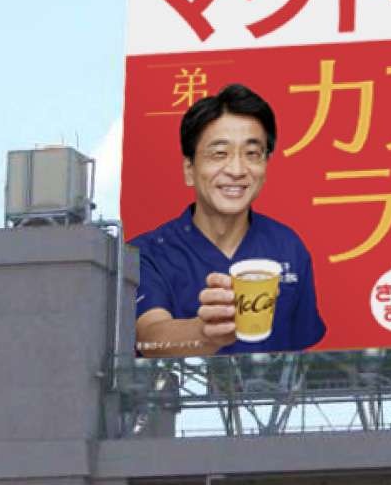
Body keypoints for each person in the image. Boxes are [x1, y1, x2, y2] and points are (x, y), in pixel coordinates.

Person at [130, 83, 326, 356]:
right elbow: (149, 337)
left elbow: (299, 354)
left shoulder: (288, 246)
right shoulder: (146, 253)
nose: (236, 170)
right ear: (189, 169)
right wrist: (204, 333)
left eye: (252, 154)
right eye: (219, 154)